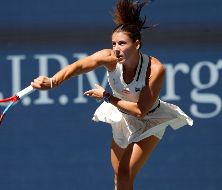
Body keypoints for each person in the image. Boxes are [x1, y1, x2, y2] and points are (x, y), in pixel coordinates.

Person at [31, 0, 193, 189]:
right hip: (122, 116)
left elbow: (140, 111)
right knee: (119, 178)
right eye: (113, 43)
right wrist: (53, 82)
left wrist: (107, 97)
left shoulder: (155, 69)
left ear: (137, 44)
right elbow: (78, 66)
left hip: (150, 119)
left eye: (122, 43)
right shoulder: (110, 57)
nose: (116, 48)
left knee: (124, 174)